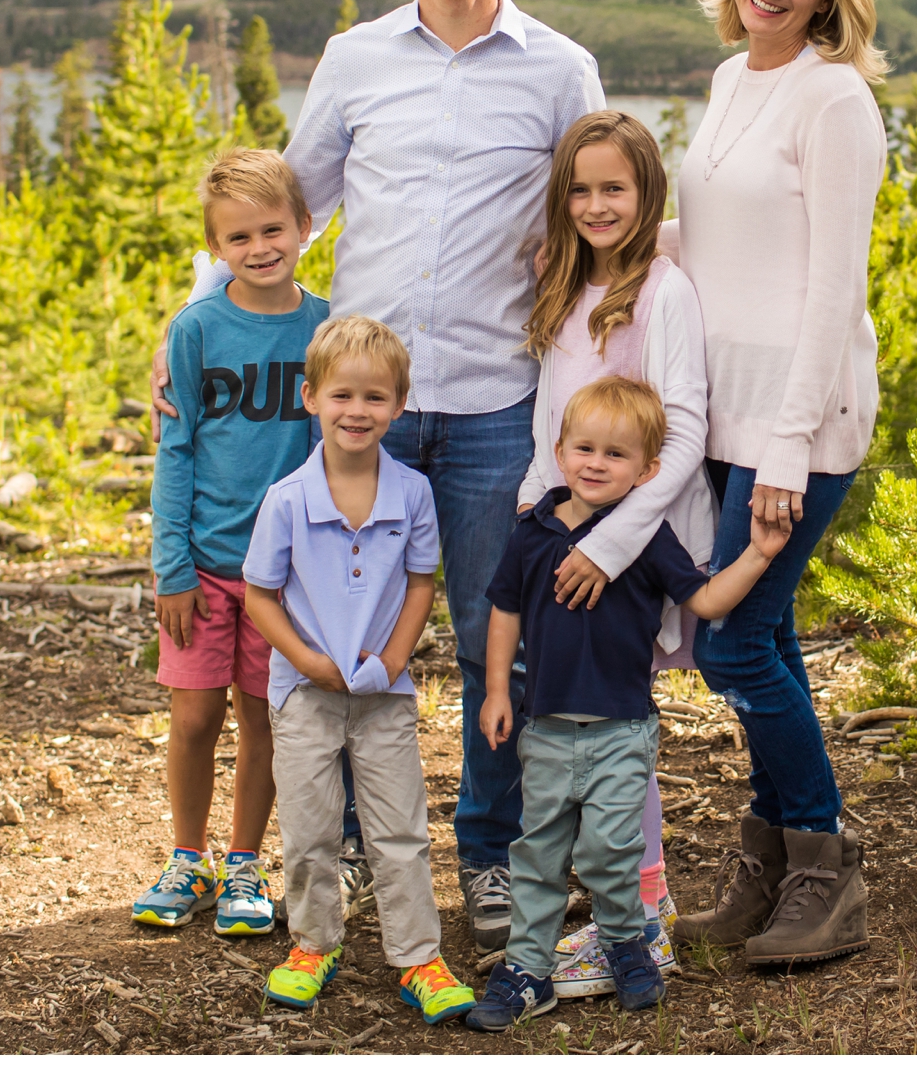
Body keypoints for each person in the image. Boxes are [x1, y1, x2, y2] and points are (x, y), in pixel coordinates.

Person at [154, 0, 604, 949]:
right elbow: (281, 208)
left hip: (503, 403)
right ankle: (344, 847)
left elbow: (601, 219)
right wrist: (190, 336)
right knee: (342, 633)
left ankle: (492, 857)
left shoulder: (560, 69)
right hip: (365, 412)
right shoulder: (356, 60)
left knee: (497, 635)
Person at [616, 0, 888, 966]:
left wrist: (787, 443)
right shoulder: (735, 77)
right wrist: (617, 244)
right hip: (728, 404)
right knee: (763, 634)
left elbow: (833, 282)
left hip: (799, 420)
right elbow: (725, 231)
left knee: (731, 641)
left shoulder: (836, 103)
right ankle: (774, 859)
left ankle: (826, 864)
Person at [464, 377, 790, 1031]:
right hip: (548, 726)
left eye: (615, 455)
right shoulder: (533, 532)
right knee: (538, 850)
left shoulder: (647, 536)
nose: (595, 463)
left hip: (621, 729)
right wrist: (499, 688)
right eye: (584, 447)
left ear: (646, 469)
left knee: (612, 848)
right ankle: (528, 968)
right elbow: (503, 608)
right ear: (559, 452)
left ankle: (624, 943)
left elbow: (704, 602)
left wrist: (758, 553)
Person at [513, 110, 712, 996]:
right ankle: (613, 913)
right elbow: (549, 422)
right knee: (580, 732)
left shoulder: (663, 291)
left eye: (615, 189)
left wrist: (613, 544)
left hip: (634, 554)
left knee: (622, 731)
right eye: (582, 188)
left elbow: (685, 433)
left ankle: (644, 922)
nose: (597, 204)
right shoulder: (559, 288)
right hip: (567, 550)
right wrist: (538, 507)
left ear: (647, 195)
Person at [242, 316, 476, 1025]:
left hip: (383, 691)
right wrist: (307, 659)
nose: (357, 410)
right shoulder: (287, 499)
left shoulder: (411, 493)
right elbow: (258, 594)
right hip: (304, 693)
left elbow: (418, 582)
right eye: (342, 394)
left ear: (399, 405)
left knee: (399, 827)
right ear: (312, 396)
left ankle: (417, 957)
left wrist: (396, 657)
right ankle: (314, 942)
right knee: (311, 825)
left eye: (375, 397)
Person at [133, 149, 331, 937]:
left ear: (304, 227)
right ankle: (189, 855)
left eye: (273, 229)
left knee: (262, 718)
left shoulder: (325, 326)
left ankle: (246, 860)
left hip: (282, 577)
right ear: (215, 250)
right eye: (239, 237)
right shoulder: (198, 329)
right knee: (192, 717)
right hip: (206, 569)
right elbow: (174, 453)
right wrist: (171, 567)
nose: (259, 247)